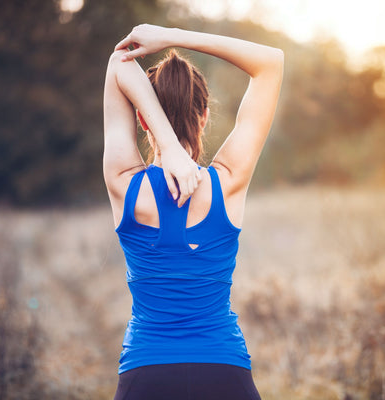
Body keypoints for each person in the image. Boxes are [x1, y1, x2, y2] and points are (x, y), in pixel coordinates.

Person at [102, 24, 283, 399]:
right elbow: (271, 63)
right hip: (224, 371)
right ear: (203, 116)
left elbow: (119, 62)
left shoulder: (124, 182)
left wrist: (165, 142)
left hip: (145, 373)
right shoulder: (229, 181)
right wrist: (173, 37)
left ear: (141, 120)